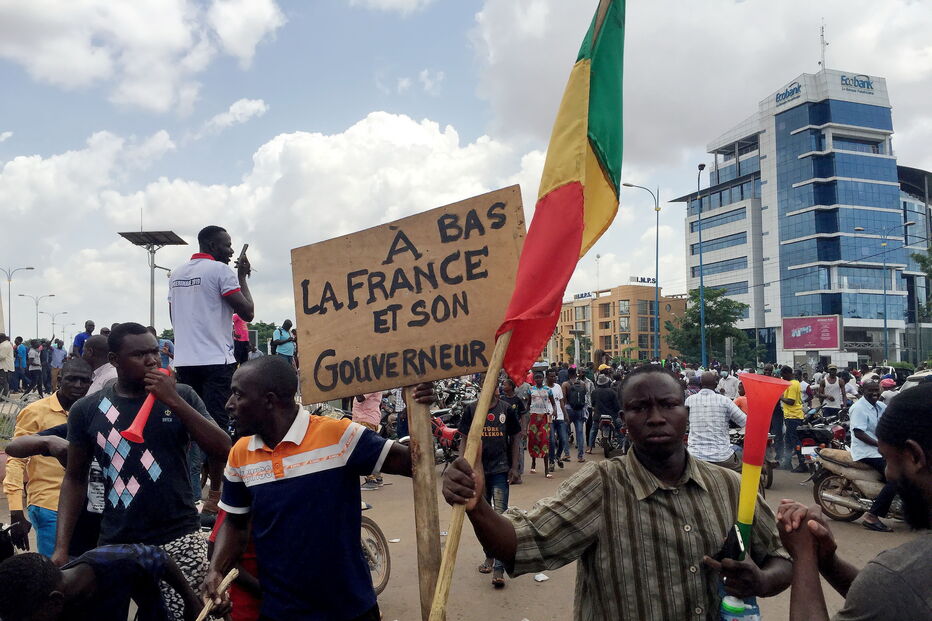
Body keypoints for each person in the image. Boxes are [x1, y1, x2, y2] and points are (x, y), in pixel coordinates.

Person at [442, 364, 792, 620]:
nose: (656, 417)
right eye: (641, 408)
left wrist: (760, 580)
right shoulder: (601, 485)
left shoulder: (729, 487)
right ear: (624, 419)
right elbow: (521, 544)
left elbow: (782, 558)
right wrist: (478, 506)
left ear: (685, 413)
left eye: (668, 405)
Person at [205, 356, 433, 621]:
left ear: (269, 400)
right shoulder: (241, 455)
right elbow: (234, 522)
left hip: (350, 610)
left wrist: (418, 411)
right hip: (280, 613)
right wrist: (216, 570)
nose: (229, 405)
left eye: (238, 395)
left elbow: (417, 463)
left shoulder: (340, 436)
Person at [53, 322, 232, 621]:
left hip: (179, 535)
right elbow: (74, 478)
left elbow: (223, 447)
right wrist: (62, 547)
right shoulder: (87, 409)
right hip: (116, 539)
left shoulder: (183, 395)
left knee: (193, 614)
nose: (152, 360)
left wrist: (172, 400)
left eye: (154, 352)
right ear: (114, 361)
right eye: (139, 355)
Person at [775, 381, 932, 621]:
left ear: (914, 456)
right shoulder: (896, 584)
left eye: (890, 459)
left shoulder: (899, 575)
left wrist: (804, 555)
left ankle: (873, 513)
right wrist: (828, 562)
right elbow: (889, 602)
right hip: (862, 453)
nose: (889, 471)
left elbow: (890, 589)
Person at [169, 225, 255, 521]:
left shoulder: (177, 274)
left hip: (185, 360)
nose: (230, 251)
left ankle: (188, 492)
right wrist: (242, 276)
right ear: (210, 244)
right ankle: (215, 495)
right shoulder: (222, 273)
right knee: (217, 428)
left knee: (188, 427)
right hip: (217, 360)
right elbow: (247, 313)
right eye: (226, 245)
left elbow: (173, 316)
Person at [3, 359, 94, 557]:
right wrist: (16, 510)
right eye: (72, 379)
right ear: (59, 380)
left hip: (85, 504)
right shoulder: (35, 412)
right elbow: (16, 461)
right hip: (49, 504)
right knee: (56, 573)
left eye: (84, 381)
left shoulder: (92, 411)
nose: (78, 386)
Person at [0, 545, 201, 621]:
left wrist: (191, 601)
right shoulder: (43, 604)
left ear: (54, 602)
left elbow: (160, 558)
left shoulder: (115, 560)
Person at [457, 377, 521, 587]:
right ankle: (489, 555)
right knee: (482, 519)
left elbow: (516, 437)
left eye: (494, 385)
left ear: (497, 388)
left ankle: (499, 568)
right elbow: (464, 439)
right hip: (478, 472)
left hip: (501, 470)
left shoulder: (506, 410)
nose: (492, 388)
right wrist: (464, 465)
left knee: (500, 515)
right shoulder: (471, 410)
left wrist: (514, 466)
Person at [847, 380, 898, 532]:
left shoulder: (880, 406)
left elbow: (891, 423)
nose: (875, 393)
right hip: (866, 451)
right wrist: (880, 445)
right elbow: (859, 433)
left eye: (877, 390)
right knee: (896, 478)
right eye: (871, 390)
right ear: (863, 390)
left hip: (880, 449)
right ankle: (872, 516)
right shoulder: (858, 408)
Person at [684, 371, 747, 471]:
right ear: (716, 384)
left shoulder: (689, 400)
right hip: (722, 457)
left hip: (694, 457)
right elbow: (745, 422)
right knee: (743, 471)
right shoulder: (725, 400)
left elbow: (685, 421)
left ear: (700, 385)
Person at [353, 391, 385, 490]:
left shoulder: (368, 385)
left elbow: (361, 397)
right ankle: (378, 477)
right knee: (372, 450)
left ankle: (371, 480)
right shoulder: (374, 382)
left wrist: (351, 387)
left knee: (364, 451)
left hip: (365, 419)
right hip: (369, 418)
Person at [526, 371, 556, 478]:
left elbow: (553, 403)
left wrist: (555, 411)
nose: (538, 379)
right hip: (534, 417)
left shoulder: (548, 390)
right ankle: (533, 462)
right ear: (534, 379)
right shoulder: (531, 390)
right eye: (536, 378)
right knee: (533, 440)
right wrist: (525, 415)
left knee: (544, 441)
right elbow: (528, 403)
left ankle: (546, 470)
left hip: (544, 417)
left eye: (540, 378)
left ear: (543, 379)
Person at [499, 378, 527, 483]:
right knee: (507, 451)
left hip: (516, 430)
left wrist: (524, 429)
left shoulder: (517, 400)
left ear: (511, 387)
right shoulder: (502, 399)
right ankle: (508, 474)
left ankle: (518, 475)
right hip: (504, 430)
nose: (502, 386)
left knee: (518, 452)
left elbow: (523, 415)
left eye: (505, 385)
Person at [779, 365, 806, 472]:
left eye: (782, 375)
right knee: (789, 441)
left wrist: (780, 397)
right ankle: (787, 463)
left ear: (787, 373)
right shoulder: (794, 383)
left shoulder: (792, 384)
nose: (782, 378)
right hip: (791, 416)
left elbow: (791, 401)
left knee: (795, 441)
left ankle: (802, 464)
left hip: (793, 416)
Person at [588, 372, 621, 452]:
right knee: (618, 430)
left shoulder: (594, 392)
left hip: (598, 416)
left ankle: (590, 448)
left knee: (593, 430)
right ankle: (622, 445)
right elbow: (617, 405)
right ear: (606, 382)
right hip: (611, 416)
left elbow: (593, 404)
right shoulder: (612, 392)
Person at [562, 367, 589, 462]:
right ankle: (580, 456)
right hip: (580, 410)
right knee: (580, 433)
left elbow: (564, 398)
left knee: (565, 432)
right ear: (576, 374)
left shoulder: (565, 384)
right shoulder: (582, 383)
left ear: (568, 374)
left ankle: (567, 454)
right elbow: (584, 395)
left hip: (568, 409)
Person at [546, 369, 568, 468]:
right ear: (547, 377)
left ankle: (557, 456)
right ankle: (551, 461)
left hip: (560, 416)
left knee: (563, 439)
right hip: (549, 417)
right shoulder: (544, 388)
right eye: (551, 376)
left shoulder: (558, 387)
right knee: (551, 440)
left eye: (555, 376)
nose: (554, 378)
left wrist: (565, 414)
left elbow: (561, 402)